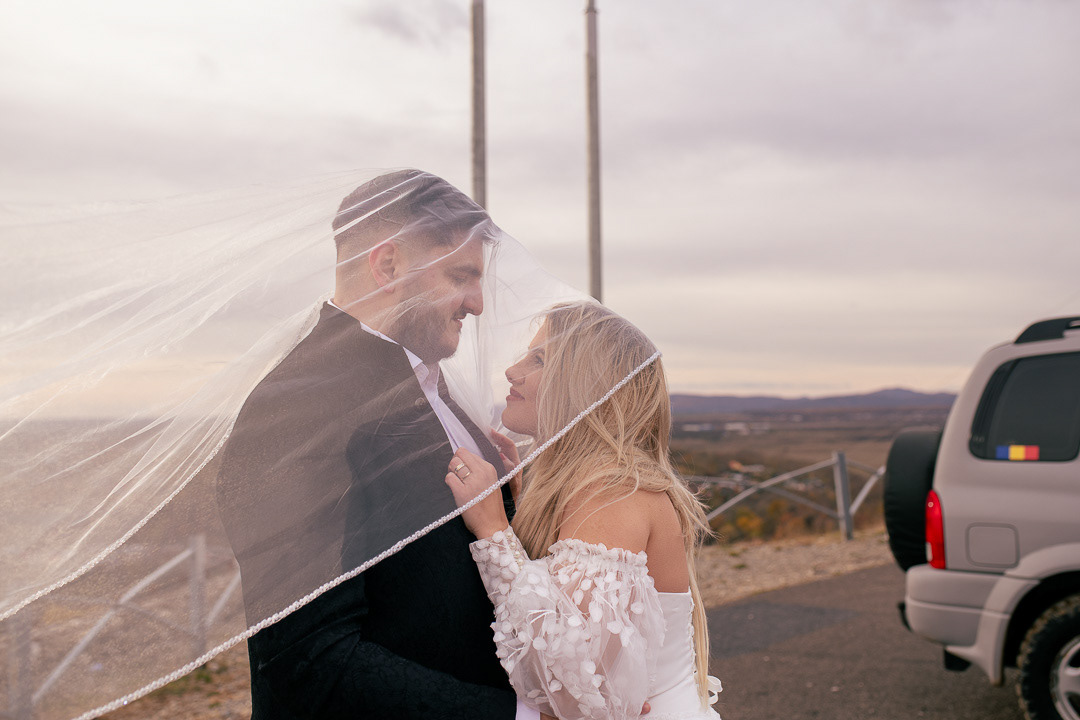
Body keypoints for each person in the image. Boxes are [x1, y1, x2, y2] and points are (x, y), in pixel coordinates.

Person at [216, 169, 533, 719]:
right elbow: (308, 664)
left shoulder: (426, 385)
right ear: (387, 266)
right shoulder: (293, 410)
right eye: (461, 276)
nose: (478, 304)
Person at [445, 301, 724, 719]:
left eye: (539, 360)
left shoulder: (614, 489)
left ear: (585, 385)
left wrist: (494, 532)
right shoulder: (593, 483)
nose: (512, 371)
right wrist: (519, 502)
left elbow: (583, 690)